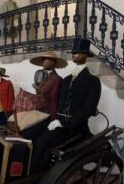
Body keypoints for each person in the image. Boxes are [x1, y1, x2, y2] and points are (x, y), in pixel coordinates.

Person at [26, 39, 102, 173]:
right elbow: (60, 103)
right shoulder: (67, 79)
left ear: (85, 55)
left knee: (42, 141)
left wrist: (64, 123)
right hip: (58, 122)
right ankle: (26, 170)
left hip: (76, 128)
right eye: (73, 52)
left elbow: (88, 109)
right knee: (29, 133)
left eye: (78, 52)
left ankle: (36, 177)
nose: (74, 54)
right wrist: (56, 120)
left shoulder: (93, 81)